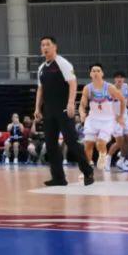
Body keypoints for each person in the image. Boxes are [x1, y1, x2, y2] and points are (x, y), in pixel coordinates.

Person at [34, 36, 94, 187]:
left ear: (55, 47)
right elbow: (40, 89)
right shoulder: (41, 69)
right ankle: (59, 178)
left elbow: (73, 83)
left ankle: (88, 172)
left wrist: (71, 103)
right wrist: (37, 108)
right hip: (49, 111)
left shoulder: (63, 63)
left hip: (64, 109)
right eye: (42, 45)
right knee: (50, 145)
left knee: (71, 141)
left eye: (48, 44)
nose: (45, 47)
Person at [79, 63, 125, 171]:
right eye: (93, 71)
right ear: (90, 74)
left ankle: (103, 154)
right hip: (92, 119)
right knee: (88, 144)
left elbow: (122, 100)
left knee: (100, 143)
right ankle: (87, 170)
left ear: (102, 73)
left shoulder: (110, 87)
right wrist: (81, 113)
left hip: (107, 120)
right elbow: (82, 104)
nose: (96, 72)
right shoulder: (87, 88)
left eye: (98, 71)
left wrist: (121, 116)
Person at [108, 70, 128, 170]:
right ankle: (109, 159)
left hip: (125, 116)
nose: (119, 79)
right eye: (117, 77)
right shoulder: (111, 89)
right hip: (115, 117)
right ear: (114, 79)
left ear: (124, 79)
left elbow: (127, 98)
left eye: (121, 77)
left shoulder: (126, 86)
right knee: (120, 141)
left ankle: (122, 159)